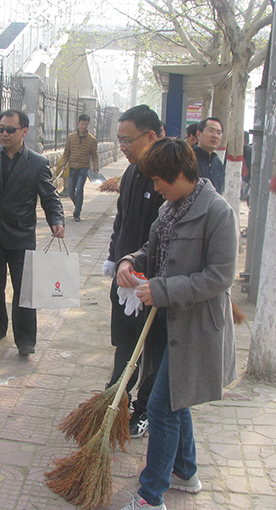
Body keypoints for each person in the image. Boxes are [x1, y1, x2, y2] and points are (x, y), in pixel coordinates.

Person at [116, 137, 238, 510]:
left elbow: (220, 277)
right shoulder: (170, 208)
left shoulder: (218, 213)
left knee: (160, 407)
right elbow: (155, 252)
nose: (155, 188)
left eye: (159, 181)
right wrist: (128, 261)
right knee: (174, 399)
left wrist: (163, 290)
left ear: (182, 174)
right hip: (166, 322)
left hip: (195, 327)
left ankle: (151, 497)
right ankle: (186, 473)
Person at [0, 109, 65, 355]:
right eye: (1, 129)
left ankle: (26, 340)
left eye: (10, 130)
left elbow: (50, 197)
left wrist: (56, 221)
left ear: (24, 131)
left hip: (21, 235)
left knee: (25, 287)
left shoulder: (38, 163)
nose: (4, 134)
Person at [103, 105, 165, 439]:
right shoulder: (129, 173)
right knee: (125, 344)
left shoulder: (166, 176)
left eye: (128, 140)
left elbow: (165, 237)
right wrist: (114, 259)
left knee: (151, 351)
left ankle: (143, 411)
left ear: (151, 136)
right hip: (124, 279)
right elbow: (122, 220)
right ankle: (115, 399)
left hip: (152, 285)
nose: (123, 147)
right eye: (119, 140)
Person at [60, 114, 99, 221]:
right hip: (72, 166)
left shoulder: (92, 140)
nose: (84, 126)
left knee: (79, 189)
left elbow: (95, 155)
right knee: (71, 191)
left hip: (83, 167)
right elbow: (66, 152)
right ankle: (78, 204)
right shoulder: (71, 137)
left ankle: (77, 213)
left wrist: (95, 167)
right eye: (82, 124)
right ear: (78, 123)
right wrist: (63, 164)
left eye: (86, 124)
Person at [193, 117, 225, 194]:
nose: (215, 136)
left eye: (219, 133)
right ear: (199, 134)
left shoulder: (218, 163)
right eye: (211, 131)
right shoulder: (188, 158)